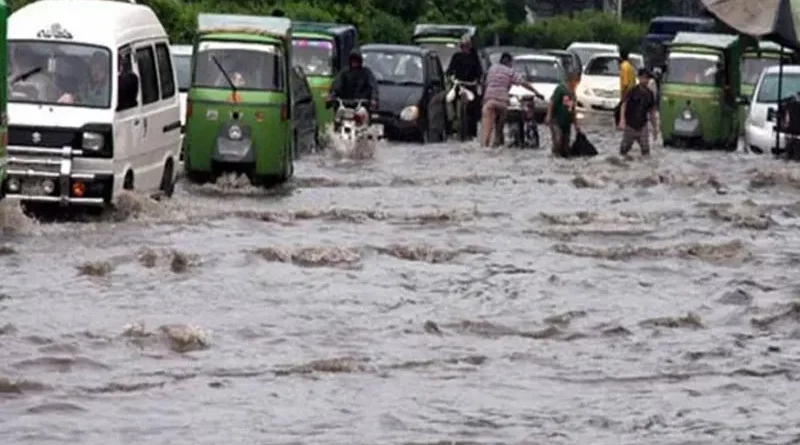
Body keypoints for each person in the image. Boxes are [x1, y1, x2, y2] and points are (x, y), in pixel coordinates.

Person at [481, 52, 543, 147]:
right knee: (499, 127)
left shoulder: (492, 68)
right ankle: (497, 141)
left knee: (487, 129)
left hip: (489, 101)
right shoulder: (510, 72)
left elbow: (486, 83)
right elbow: (523, 83)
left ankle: (485, 146)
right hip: (502, 102)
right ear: (509, 62)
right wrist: (537, 93)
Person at [446, 34, 483, 139]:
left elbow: (479, 72)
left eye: (467, 46)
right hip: (458, 84)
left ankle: (472, 131)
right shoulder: (456, 57)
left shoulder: (474, 57)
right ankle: (451, 125)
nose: (465, 48)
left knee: (474, 106)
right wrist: (451, 78)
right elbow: (449, 71)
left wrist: (477, 81)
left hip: (470, 86)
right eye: (463, 46)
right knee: (449, 101)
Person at [618, 68, 659, 157]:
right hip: (630, 125)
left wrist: (655, 129)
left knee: (646, 150)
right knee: (624, 149)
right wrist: (622, 120)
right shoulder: (632, 91)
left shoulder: (650, 94)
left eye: (647, 78)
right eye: (644, 78)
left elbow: (652, 112)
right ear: (639, 78)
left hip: (643, 126)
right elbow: (624, 105)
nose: (646, 80)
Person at [545, 70, 581, 157]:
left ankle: (562, 162)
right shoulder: (560, 89)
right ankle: (554, 157)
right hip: (556, 121)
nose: (577, 83)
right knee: (557, 141)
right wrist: (549, 116)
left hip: (567, 123)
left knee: (565, 146)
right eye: (576, 81)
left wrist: (576, 125)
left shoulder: (573, 93)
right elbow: (552, 102)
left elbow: (572, 110)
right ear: (570, 80)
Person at [615, 50, 637, 126]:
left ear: (620, 57)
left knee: (621, 112)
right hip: (632, 92)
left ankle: (622, 125)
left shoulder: (624, 67)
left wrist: (623, 97)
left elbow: (625, 83)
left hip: (627, 93)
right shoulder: (630, 66)